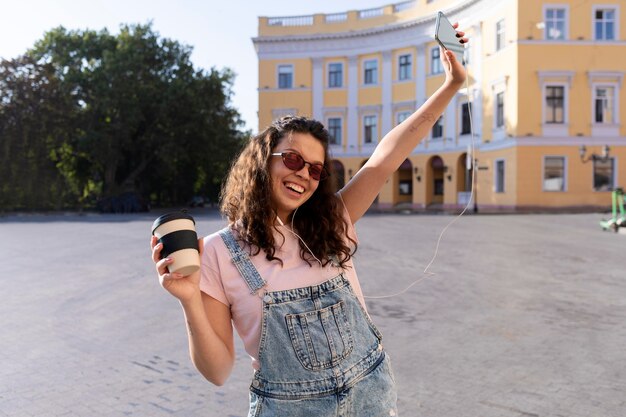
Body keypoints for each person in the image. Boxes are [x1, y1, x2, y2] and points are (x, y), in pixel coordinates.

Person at [151, 26, 468, 417]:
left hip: (372, 399)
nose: (303, 174)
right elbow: (217, 372)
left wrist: (453, 84)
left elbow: (388, 153)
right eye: (293, 159)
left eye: (315, 169)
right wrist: (189, 302)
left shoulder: (334, 219)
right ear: (261, 162)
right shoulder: (217, 252)